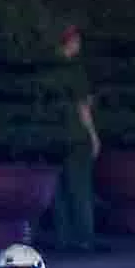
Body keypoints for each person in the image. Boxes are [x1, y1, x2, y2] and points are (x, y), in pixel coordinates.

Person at [49, 25, 98, 251]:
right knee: (79, 187)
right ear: (71, 41)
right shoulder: (75, 70)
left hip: (54, 134)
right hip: (75, 133)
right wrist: (93, 135)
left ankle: (63, 235)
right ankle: (84, 237)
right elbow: (82, 106)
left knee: (59, 188)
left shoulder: (49, 68)